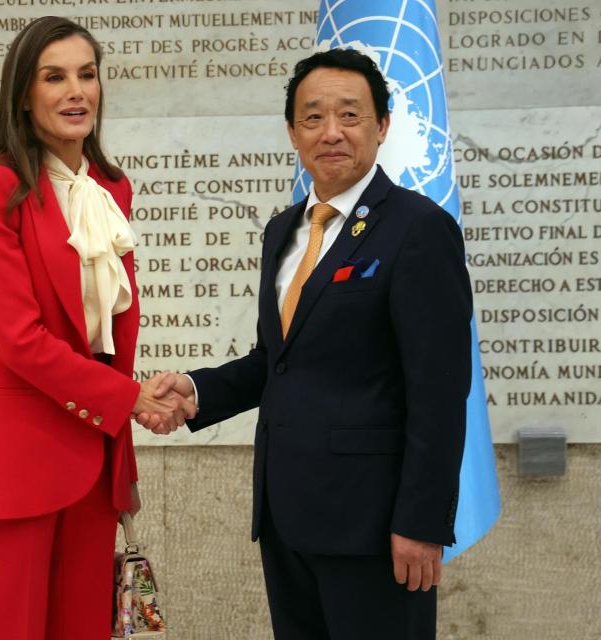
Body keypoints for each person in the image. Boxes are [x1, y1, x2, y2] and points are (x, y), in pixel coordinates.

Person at [140, 48, 472, 639]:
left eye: (351, 115)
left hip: (374, 526)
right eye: (314, 117)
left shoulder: (417, 229)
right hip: (287, 516)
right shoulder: (284, 230)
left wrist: (422, 522)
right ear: (293, 132)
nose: (333, 132)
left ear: (383, 126)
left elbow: (441, 392)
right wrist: (195, 391)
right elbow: (279, 361)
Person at [0, 17, 193, 640]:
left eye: (87, 74)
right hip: (16, 460)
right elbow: (18, 338)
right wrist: (129, 399)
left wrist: (124, 441)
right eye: (54, 77)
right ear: (23, 94)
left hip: (95, 459)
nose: (75, 91)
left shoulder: (112, 189)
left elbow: (108, 339)